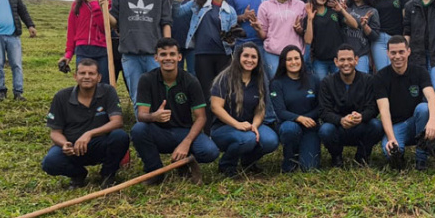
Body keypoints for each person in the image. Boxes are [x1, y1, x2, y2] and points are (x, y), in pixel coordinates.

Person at [130, 38, 219, 184]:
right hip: (159, 132)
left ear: (179, 57)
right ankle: (155, 172)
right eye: (163, 54)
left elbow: (201, 118)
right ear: (156, 58)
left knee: (210, 151)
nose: (168, 58)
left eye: (172, 54)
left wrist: (186, 142)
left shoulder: (190, 81)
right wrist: (154, 116)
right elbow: (141, 115)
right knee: (138, 130)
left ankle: (184, 162)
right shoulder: (146, 79)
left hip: (184, 131)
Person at [43, 59, 129, 189]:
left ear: (99, 77)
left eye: (91, 73)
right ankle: (78, 174)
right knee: (50, 162)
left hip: (99, 144)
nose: (87, 77)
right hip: (73, 148)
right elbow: (55, 132)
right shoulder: (61, 97)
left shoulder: (108, 91)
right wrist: (64, 144)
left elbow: (117, 122)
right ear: (75, 77)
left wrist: (89, 134)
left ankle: (108, 174)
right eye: (82, 73)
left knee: (120, 136)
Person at [109, 0, 172, 107]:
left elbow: (166, 21)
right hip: (130, 53)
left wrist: (166, 48)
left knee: (159, 94)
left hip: (154, 53)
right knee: (137, 96)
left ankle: (160, 129)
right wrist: (103, 8)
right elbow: (114, 21)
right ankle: (141, 129)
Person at [209, 43, 279, 177]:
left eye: (254, 57)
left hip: (248, 126)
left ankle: (248, 162)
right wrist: (237, 125)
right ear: (238, 57)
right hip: (224, 127)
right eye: (245, 55)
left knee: (271, 141)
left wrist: (255, 125)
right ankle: (227, 165)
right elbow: (215, 107)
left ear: (258, 61)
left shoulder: (259, 80)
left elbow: (260, 109)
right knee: (247, 139)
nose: (249, 60)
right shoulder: (225, 77)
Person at [375, 36, 435, 170]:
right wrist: (391, 138)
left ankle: (421, 159)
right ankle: (399, 153)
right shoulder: (381, 77)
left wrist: (432, 121)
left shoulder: (420, 72)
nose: (397, 56)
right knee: (390, 154)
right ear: (387, 53)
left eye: (401, 52)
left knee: (423, 108)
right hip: (396, 126)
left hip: (416, 123)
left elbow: (432, 97)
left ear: (408, 51)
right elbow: (384, 111)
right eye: (393, 53)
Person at [318, 44, 383, 167]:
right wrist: (340, 120)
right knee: (325, 130)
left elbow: (373, 108)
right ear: (336, 62)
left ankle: (362, 156)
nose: (346, 63)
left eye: (349, 59)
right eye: (342, 60)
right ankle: (336, 156)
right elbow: (323, 111)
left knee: (376, 125)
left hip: (361, 126)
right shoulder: (327, 82)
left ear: (356, 60)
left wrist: (362, 116)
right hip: (338, 128)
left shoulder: (368, 80)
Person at [182, 0, 238, 100]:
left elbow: (233, 37)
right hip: (202, 54)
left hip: (223, 55)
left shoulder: (231, 11)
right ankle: (207, 119)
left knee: (223, 91)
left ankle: (222, 119)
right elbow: (177, 12)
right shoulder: (198, 4)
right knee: (206, 91)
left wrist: (230, 38)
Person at [271, 45, 321, 172]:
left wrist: (307, 119)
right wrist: (299, 118)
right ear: (284, 62)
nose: (294, 62)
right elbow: (280, 111)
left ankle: (303, 151)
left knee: (309, 168)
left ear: (301, 60)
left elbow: (321, 106)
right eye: (289, 59)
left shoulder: (314, 79)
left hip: (310, 127)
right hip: (289, 125)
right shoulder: (277, 83)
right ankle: (289, 158)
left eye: (296, 58)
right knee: (289, 129)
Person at [303, 0, 359, 80]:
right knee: (321, 86)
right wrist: (310, 19)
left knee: (341, 85)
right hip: (319, 60)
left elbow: (354, 25)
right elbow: (308, 40)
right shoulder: (309, 16)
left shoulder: (333, 12)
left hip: (338, 59)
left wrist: (341, 10)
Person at [61, 0, 110, 79]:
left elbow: (104, 27)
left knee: (102, 84)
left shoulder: (107, 4)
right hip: (82, 49)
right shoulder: (77, 5)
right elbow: (71, 31)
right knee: (85, 83)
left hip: (102, 50)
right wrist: (68, 54)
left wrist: (95, 5)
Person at [255, 0, 306, 75]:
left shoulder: (300, 5)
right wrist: (257, 28)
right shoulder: (265, 6)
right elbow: (263, 35)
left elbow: (306, 32)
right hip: (273, 53)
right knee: (275, 83)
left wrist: (300, 29)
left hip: (295, 53)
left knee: (295, 83)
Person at [336, 0, 380, 73]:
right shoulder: (346, 8)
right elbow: (338, 26)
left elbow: (375, 36)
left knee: (361, 83)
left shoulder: (372, 11)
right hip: (344, 54)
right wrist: (342, 12)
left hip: (361, 54)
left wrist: (365, 26)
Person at [371, 0, 411, 71]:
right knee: (383, 72)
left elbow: (407, 21)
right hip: (380, 40)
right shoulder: (374, 0)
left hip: (398, 39)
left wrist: (406, 40)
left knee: (399, 70)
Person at [168, 0, 197, 75]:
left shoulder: (194, 0)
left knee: (193, 72)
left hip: (191, 41)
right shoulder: (167, 0)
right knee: (176, 72)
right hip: (175, 40)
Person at [105, 0, 124, 88]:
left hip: (121, 43)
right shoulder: (98, 1)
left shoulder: (122, 1)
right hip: (107, 44)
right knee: (110, 78)